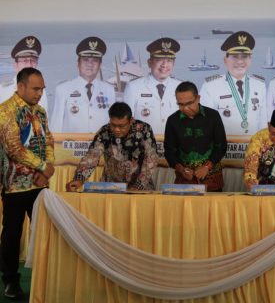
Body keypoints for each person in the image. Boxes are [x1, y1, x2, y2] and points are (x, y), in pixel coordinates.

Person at [0, 68, 54, 300]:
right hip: (15, 185)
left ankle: (46, 277)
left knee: (44, 231)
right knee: (12, 233)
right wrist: (42, 166)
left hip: (39, 184)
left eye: (42, 89)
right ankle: (10, 280)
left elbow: (48, 140)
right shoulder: (5, 111)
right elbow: (14, 148)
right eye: (35, 89)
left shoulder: (40, 111)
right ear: (21, 86)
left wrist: (48, 169)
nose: (40, 93)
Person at [65, 102, 159, 192]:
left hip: (140, 187)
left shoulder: (144, 130)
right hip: (110, 187)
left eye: (121, 126)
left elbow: (151, 159)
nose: (117, 129)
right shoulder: (104, 131)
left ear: (131, 121)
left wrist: (139, 185)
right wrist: (79, 178)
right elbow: (92, 156)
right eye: (113, 125)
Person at [199, 31, 267, 136]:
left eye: (244, 56)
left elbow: (263, 124)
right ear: (225, 60)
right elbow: (206, 125)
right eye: (235, 56)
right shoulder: (210, 87)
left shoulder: (260, 85)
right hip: (225, 145)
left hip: (254, 145)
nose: (240, 61)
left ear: (250, 59)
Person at [164, 81, 227, 191]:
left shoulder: (213, 116)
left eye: (189, 103)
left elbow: (221, 146)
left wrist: (207, 167)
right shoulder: (172, 120)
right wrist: (181, 169)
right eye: (181, 104)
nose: (185, 108)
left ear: (198, 98)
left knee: (213, 203)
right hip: (184, 178)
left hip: (212, 178)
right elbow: (169, 151)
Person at [50, 36, 116, 133]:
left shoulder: (109, 90)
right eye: (85, 60)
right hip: (72, 143)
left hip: (101, 142)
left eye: (95, 60)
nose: (90, 64)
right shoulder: (63, 89)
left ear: (100, 65)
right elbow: (56, 126)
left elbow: (114, 123)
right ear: (78, 64)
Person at [123, 37, 182, 135]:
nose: (164, 65)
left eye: (169, 60)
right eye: (159, 60)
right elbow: (125, 122)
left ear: (174, 64)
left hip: (175, 143)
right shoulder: (133, 87)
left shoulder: (181, 87)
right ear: (149, 63)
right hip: (144, 143)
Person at [0, 36, 48, 110]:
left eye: (33, 60)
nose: (29, 65)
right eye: (25, 61)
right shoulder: (3, 91)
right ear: (15, 65)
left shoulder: (41, 92)